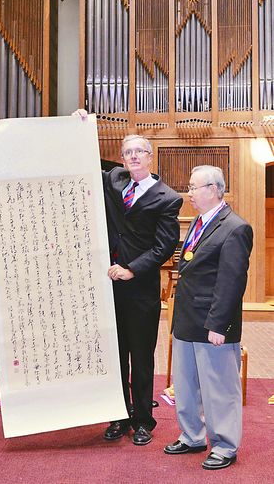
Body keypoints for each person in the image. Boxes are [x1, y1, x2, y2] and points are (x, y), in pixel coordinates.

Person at [74, 112, 183, 444]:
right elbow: (84, 162)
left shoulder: (168, 197)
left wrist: (132, 268)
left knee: (141, 356)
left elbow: (164, 246)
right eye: (128, 152)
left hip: (141, 289)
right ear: (122, 159)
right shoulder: (114, 180)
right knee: (115, 355)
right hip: (109, 287)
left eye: (139, 152)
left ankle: (143, 421)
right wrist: (81, 127)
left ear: (150, 157)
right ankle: (119, 417)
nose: (134, 156)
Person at [164, 166, 252, 470]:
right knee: (186, 385)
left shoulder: (235, 228)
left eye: (194, 187)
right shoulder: (199, 221)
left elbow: (232, 282)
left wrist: (219, 324)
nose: (188, 193)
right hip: (187, 320)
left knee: (219, 389)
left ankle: (225, 445)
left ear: (213, 189)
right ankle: (192, 436)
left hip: (213, 324)